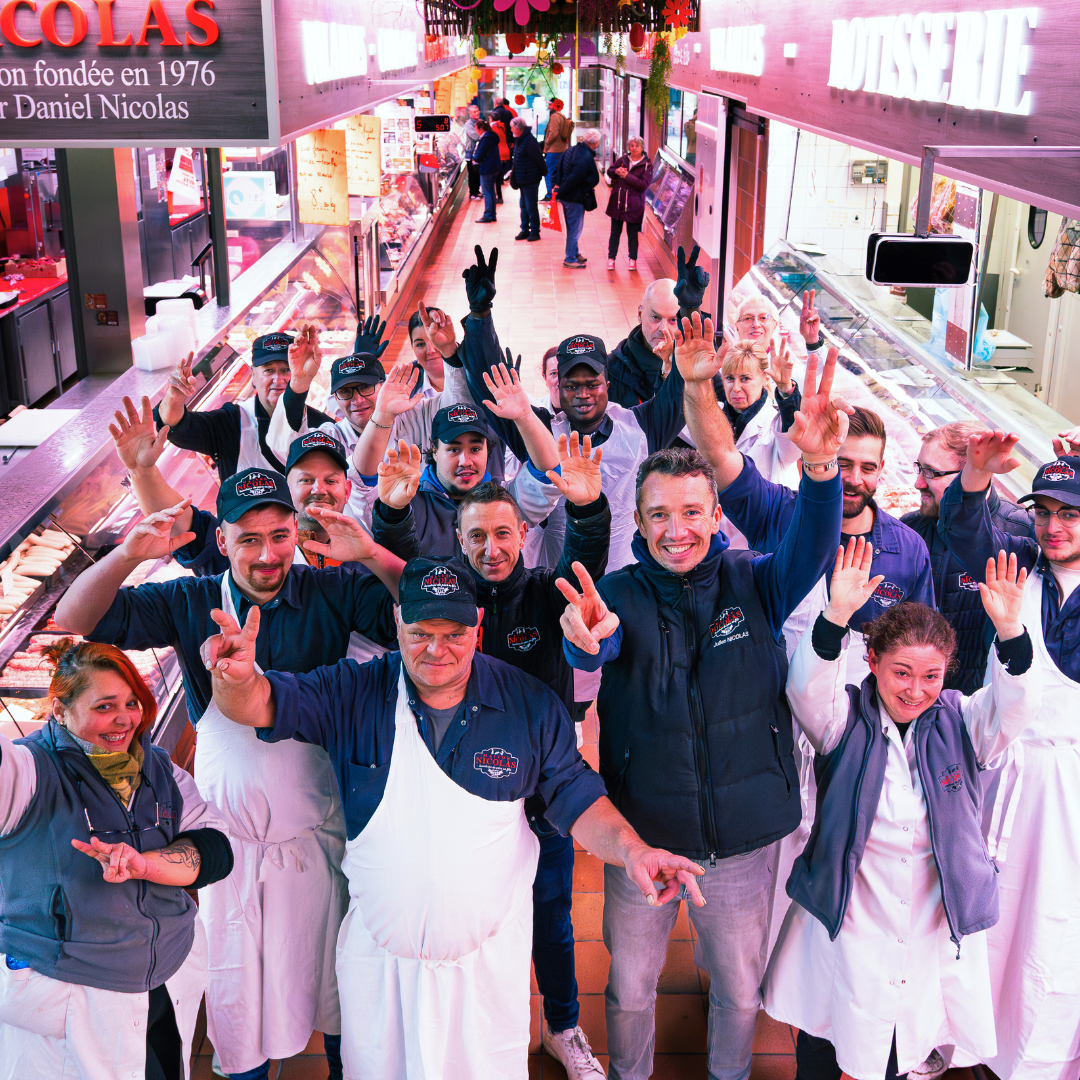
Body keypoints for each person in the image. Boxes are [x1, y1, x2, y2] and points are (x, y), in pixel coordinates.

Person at [204, 555, 707, 1080]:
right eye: (421, 633)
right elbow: (261, 704)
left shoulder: (529, 704)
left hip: (484, 977)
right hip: (379, 974)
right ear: (397, 621)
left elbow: (578, 796)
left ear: (478, 625)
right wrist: (235, 680)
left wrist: (633, 850)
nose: (437, 650)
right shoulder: (351, 692)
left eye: (454, 635)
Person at [559, 314, 846, 1080]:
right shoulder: (619, 594)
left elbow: (813, 546)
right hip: (644, 839)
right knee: (629, 991)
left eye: (692, 512)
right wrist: (583, 642)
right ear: (640, 520)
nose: (676, 529)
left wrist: (822, 471)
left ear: (717, 516)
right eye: (659, 515)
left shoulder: (757, 581)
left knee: (739, 993)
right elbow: (594, 641)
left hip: (744, 845)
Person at [52, 471, 403, 1080]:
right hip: (230, 848)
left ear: (297, 534)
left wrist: (371, 552)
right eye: (248, 539)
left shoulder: (333, 590)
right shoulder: (189, 601)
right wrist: (126, 555)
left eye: (279, 536)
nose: (267, 555)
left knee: (339, 986)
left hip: (315, 838)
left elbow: (416, 610)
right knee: (239, 997)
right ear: (222, 541)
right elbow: (76, 616)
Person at [763, 541, 1037, 1080]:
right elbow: (805, 689)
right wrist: (835, 617)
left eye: (931, 676)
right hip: (848, 915)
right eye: (901, 673)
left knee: (897, 1043)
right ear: (872, 662)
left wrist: (1010, 632)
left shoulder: (963, 721)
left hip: (927, 920)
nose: (915, 690)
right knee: (823, 1031)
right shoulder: (843, 719)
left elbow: (1014, 708)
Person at [0, 639, 233, 1080]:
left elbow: (216, 850)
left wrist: (147, 864)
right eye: (104, 706)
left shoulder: (156, 767)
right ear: (60, 709)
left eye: (132, 702)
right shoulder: (27, 774)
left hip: (167, 971)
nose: (124, 718)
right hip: (74, 988)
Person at [453, 449, 610, 1079]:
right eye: (477, 536)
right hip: (470, 791)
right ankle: (485, 1033)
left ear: (524, 533)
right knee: (476, 918)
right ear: (459, 540)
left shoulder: (547, 594)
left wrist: (588, 508)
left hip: (545, 790)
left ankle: (563, 1026)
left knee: (552, 915)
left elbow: (585, 561)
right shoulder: (448, 601)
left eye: (502, 533)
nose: (491, 548)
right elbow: (395, 555)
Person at [935, 429, 1080, 1080]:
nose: (1053, 528)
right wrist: (975, 475)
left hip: (1068, 793)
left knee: (1051, 924)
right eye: (1043, 512)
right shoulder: (1018, 563)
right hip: (1004, 771)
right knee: (983, 912)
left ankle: (1034, 1057)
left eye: (1070, 514)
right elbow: (963, 530)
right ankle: (964, 1040)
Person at [445, 245, 692, 574]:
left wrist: (689, 312)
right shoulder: (540, 432)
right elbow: (489, 383)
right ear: (557, 387)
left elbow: (683, 385)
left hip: (624, 580)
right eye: (571, 385)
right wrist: (480, 317)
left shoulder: (640, 426)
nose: (583, 394)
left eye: (592, 383)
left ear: (607, 383)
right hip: (556, 583)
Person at [694, 399, 935, 681]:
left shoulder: (909, 551)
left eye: (868, 468)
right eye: (842, 464)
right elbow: (718, 456)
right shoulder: (775, 511)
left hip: (854, 705)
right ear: (805, 465)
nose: (854, 479)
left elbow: (918, 643)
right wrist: (696, 385)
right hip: (769, 695)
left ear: (881, 469)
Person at [369, 366, 563, 563]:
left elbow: (548, 474)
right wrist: (392, 511)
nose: (465, 461)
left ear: (488, 450)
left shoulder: (509, 500)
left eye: (475, 449)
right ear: (434, 451)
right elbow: (391, 559)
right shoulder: (407, 502)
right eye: (454, 449)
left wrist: (525, 417)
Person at [900, 422, 1033, 692]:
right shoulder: (909, 530)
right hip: (915, 694)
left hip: (988, 700)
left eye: (931, 472)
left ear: (972, 472)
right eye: (919, 468)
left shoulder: (1022, 532)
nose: (918, 483)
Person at [153, 329, 333, 479]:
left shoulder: (321, 426)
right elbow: (178, 428)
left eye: (286, 369)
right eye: (268, 370)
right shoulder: (230, 422)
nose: (278, 379)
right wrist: (174, 397)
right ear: (253, 376)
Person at [712, 337, 802, 548]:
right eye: (729, 378)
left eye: (745, 378)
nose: (735, 388)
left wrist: (786, 390)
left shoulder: (776, 423)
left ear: (764, 378)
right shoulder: (712, 418)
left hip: (765, 544)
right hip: (720, 542)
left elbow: (793, 444)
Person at [606, 245, 710, 408]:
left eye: (673, 320)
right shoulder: (611, 370)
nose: (663, 328)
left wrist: (692, 309)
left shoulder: (695, 360)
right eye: (655, 317)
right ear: (640, 314)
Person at [553, 130, 601, 268]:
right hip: (574, 197)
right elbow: (575, 179)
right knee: (575, 228)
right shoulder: (585, 156)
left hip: (568, 196)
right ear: (595, 143)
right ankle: (570, 258)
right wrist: (561, 191)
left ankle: (574, 253)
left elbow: (558, 168)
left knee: (572, 226)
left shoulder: (573, 149)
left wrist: (557, 187)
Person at [606, 136, 650, 270]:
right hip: (618, 202)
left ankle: (632, 259)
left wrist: (626, 176)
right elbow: (610, 171)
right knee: (615, 232)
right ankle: (611, 258)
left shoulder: (647, 165)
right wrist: (616, 171)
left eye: (637, 146)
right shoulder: (623, 160)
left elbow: (643, 185)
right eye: (632, 145)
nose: (634, 148)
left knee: (632, 234)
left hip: (634, 205)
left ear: (642, 147)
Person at [510, 116, 546, 242]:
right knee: (524, 205)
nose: (511, 130)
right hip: (523, 178)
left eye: (512, 128)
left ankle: (535, 231)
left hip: (530, 179)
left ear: (518, 129)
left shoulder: (529, 141)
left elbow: (539, 158)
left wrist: (544, 173)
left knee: (531, 206)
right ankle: (525, 229)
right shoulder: (520, 139)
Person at [543, 97, 574, 200]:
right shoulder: (561, 116)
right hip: (561, 149)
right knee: (558, 172)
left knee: (549, 172)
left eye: (550, 105)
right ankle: (558, 193)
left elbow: (553, 133)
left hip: (554, 149)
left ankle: (550, 195)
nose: (548, 107)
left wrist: (547, 142)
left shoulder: (555, 117)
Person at [474, 119, 502, 223]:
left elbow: (480, 154)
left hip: (487, 168)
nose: (476, 132)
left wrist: (474, 158)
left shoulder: (485, 138)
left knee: (486, 192)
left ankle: (488, 215)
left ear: (480, 129)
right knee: (491, 192)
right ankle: (492, 214)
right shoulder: (491, 136)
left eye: (476, 130)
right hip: (494, 167)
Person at [463, 103, 482, 200]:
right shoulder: (468, 125)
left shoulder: (479, 122)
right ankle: (472, 193)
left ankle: (477, 191)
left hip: (478, 151)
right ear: (469, 113)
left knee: (477, 172)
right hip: (471, 152)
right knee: (472, 173)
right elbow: (476, 136)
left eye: (477, 111)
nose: (477, 113)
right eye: (474, 112)